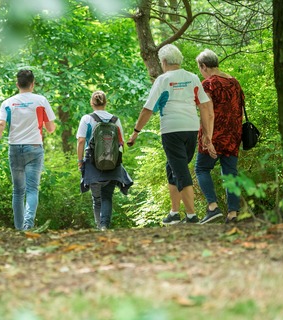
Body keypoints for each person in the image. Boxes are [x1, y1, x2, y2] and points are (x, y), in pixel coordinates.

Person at [126, 44, 216, 225]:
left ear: (164, 61)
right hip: (191, 129)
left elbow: (147, 109)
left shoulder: (163, 79)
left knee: (181, 170)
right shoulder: (192, 77)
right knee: (172, 167)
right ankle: (174, 213)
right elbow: (205, 106)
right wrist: (207, 134)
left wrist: (135, 132)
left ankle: (191, 216)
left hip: (171, 130)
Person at [0, 69, 56, 230]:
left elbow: (0, 124)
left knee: (18, 191)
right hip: (34, 147)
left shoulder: (8, 103)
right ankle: (28, 225)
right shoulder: (41, 101)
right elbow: (51, 129)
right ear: (33, 84)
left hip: (14, 148)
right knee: (32, 189)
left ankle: (19, 228)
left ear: (17, 84)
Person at [195, 49, 244, 224]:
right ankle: (233, 214)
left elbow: (208, 113)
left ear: (203, 66)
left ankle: (213, 207)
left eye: (199, 68)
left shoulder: (208, 84)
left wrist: (208, 138)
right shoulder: (234, 82)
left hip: (215, 134)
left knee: (201, 169)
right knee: (230, 173)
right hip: (233, 134)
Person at [76, 90, 133, 231]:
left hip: (92, 161)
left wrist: (80, 160)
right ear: (106, 103)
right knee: (107, 195)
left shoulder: (86, 119)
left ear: (92, 103)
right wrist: (115, 159)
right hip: (113, 162)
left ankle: (99, 226)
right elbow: (121, 143)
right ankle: (104, 226)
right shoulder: (115, 119)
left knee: (97, 198)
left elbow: (81, 140)